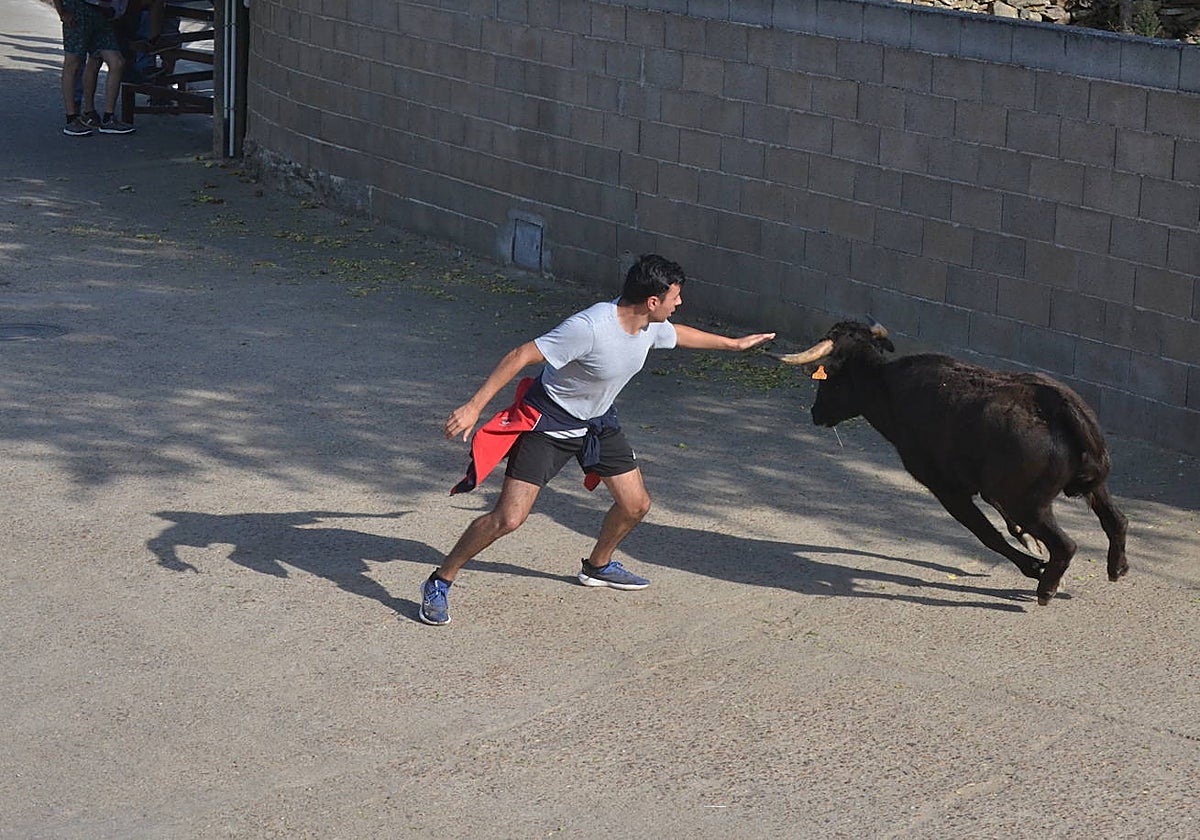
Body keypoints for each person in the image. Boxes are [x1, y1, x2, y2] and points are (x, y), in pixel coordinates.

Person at [420, 254, 776, 625]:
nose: (680, 303)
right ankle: (440, 580)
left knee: (635, 505)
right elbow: (522, 354)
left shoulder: (650, 324)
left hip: (598, 422)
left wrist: (732, 345)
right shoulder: (590, 327)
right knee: (507, 519)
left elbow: (678, 335)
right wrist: (474, 406)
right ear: (652, 301)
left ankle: (598, 566)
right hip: (550, 424)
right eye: (676, 297)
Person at [53, 0, 135, 136]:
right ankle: (71, 117)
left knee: (117, 61)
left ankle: (108, 117)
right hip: (78, 8)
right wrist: (62, 12)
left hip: (101, 11)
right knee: (73, 63)